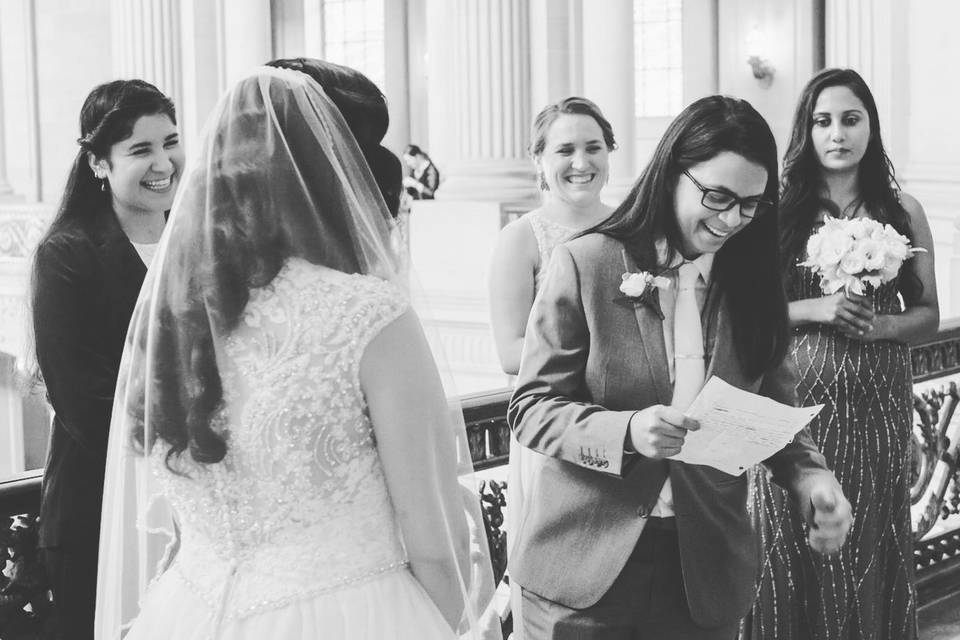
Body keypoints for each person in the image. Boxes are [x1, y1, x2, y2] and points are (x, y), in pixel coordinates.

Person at [94, 66, 499, 640]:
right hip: (353, 613)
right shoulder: (367, 315)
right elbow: (437, 546)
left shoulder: (176, 315)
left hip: (191, 608)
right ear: (333, 176)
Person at [507, 95, 853, 639]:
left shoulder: (753, 287)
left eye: (750, 205)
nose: (731, 219)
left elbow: (775, 416)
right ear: (672, 172)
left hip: (703, 573)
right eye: (717, 197)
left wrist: (814, 480)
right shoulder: (587, 263)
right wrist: (626, 430)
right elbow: (530, 409)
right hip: (584, 568)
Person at [742, 69, 939, 640]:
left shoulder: (904, 209)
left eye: (851, 119)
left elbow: (926, 315)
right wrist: (817, 310)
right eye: (823, 121)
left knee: (871, 537)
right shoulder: (774, 211)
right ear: (806, 130)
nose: (837, 133)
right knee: (786, 533)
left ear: (871, 127)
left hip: (877, 404)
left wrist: (880, 325)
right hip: (793, 404)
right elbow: (742, 314)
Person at [29, 79, 182, 640]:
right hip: (99, 505)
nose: (163, 162)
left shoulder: (195, 242)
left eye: (170, 142)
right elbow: (84, 403)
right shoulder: (66, 254)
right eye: (140, 150)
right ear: (98, 163)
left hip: (199, 508)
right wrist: (187, 459)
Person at [486, 96, 616, 635]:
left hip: (628, 427)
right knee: (565, 582)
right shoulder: (523, 239)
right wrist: (599, 356)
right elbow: (511, 352)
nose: (580, 161)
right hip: (554, 429)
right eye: (564, 149)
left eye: (593, 147)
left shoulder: (635, 227)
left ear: (611, 152)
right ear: (538, 158)